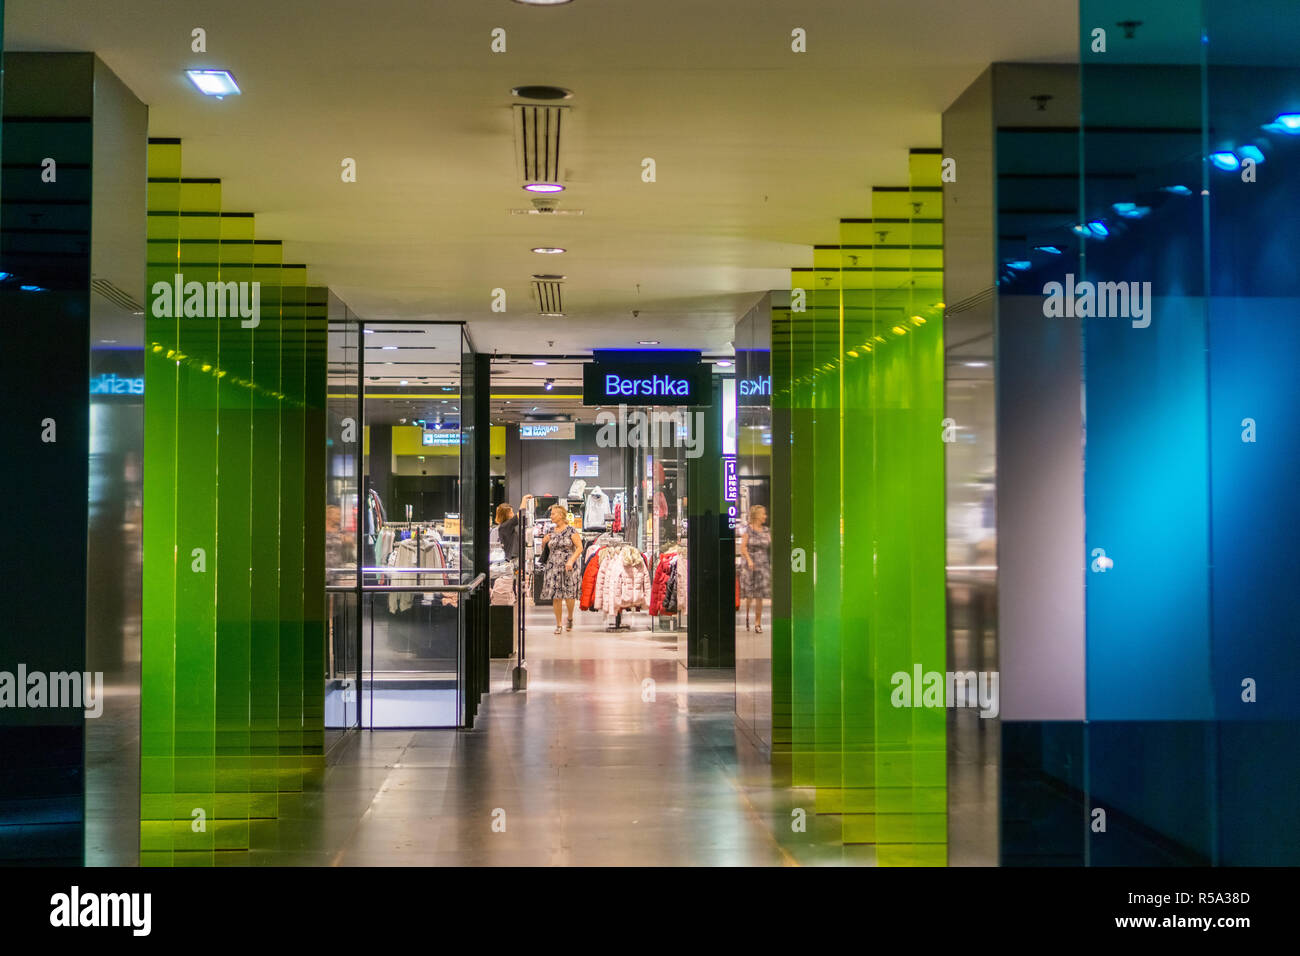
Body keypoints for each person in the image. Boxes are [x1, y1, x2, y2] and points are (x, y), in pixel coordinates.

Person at [540, 503, 583, 633]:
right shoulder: (550, 532)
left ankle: (569, 617)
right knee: (556, 596)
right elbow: (546, 550)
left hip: (568, 566)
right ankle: (558, 624)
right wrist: (543, 542)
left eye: (553, 514)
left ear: (560, 515)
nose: (551, 516)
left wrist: (571, 560)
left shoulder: (571, 531)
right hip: (553, 566)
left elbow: (580, 547)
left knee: (569, 595)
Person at [739, 504, 771, 633]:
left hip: (763, 565)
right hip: (750, 566)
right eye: (763, 514)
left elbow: (769, 545)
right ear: (757, 515)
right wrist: (749, 560)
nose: (765, 516)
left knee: (760, 596)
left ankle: (758, 623)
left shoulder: (766, 531)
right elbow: (743, 548)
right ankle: (747, 617)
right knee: (750, 595)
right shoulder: (747, 530)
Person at [491, 494, 533, 562]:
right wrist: (524, 499)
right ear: (505, 514)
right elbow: (520, 514)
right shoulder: (505, 526)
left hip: (512, 558)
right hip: (510, 559)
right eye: (511, 512)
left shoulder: (506, 526)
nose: (513, 514)